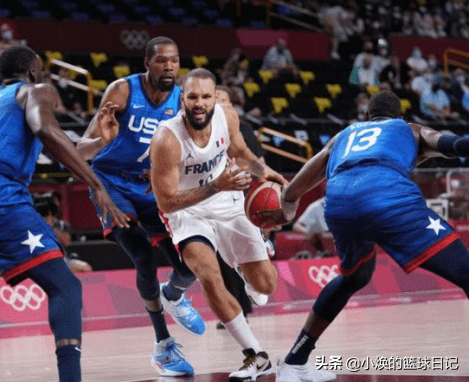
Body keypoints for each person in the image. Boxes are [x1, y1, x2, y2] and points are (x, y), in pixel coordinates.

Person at [0, 45, 126, 382]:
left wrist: (98, 144)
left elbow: (42, 143)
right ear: (34, 71)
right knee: (66, 287)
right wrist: (96, 184)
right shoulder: (36, 90)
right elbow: (46, 130)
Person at [258, 90, 469, 382]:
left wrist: (288, 207)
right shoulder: (408, 129)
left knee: (354, 276)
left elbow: (304, 178)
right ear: (400, 116)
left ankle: (295, 361)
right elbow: (453, 144)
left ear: (367, 117)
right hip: (386, 196)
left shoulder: (345, 134)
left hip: (340, 202)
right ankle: (296, 361)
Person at [77, 36, 204, 377]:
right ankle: (163, 347)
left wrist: (167, 171)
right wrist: (102, 141)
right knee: (143, 255)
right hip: (110, 183)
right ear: (147, 63)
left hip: (148, 186)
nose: (170, 67)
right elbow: (79, 152)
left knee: (190, 261)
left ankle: (174, 295)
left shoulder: (181, 101)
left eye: (175, 60)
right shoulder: (122, 91)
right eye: (162, 60)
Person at [150, 68, 286, 381]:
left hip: (227, 203)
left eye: (206, 97)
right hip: (187, 211)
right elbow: (167, 202)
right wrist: (216, 185)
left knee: (266, 285)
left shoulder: (227, 116)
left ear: (215, 98)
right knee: (209, 276)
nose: (199, 103)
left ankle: (242, 267)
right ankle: (256, 355)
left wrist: (263, 171)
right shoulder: (167, 139)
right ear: (182, 98)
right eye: (192, 96)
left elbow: (239, 151)